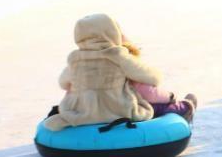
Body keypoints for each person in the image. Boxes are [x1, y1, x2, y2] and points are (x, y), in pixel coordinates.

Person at [44, 14, 197, 131]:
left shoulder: (75, 60)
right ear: (112, 32)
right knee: (156, 107)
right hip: (120, 111)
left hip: (82, 114)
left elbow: (63, 83)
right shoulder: (118, 56)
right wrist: (170, 96)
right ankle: (185, 107)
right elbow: (151, 80)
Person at [120, 36, 197, 121]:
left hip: (112, 109)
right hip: (134, 109)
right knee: (160, 106)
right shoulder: (132, 73)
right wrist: (170, 96)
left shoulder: (109, 67)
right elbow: (150, 93)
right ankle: (185, 108)